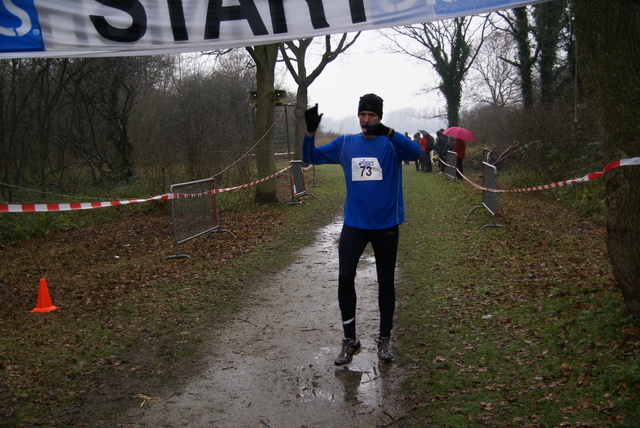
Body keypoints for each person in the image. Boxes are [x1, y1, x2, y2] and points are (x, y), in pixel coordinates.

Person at [302, 93, 421, 366]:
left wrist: (390, 133)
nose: (366, 120)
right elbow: (311, 156)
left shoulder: (391, 145)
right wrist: (310, 132)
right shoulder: (346, 144)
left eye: (372, 116)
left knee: (386, 282)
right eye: (363, 115)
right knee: (345, 278)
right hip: (355, 224)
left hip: (386, 225)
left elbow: (416, 153)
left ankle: (384, 339)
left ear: (379, 117)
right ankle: (350, 340)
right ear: (358, 116)